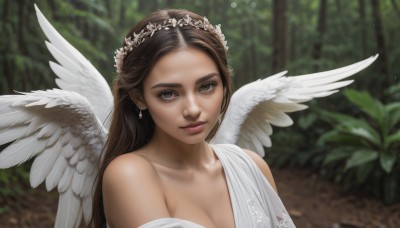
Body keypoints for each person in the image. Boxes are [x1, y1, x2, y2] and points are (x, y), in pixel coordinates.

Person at [89, 8, 295, 228]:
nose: (193, 109)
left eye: (206, 86)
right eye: (168, 94)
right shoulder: (128, 175)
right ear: (139, 98)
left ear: (224, 85)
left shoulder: (253, 167)